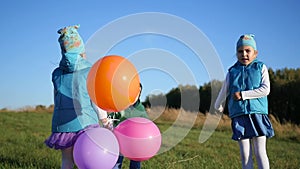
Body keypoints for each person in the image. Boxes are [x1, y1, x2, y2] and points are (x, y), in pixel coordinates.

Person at [44, 25, 109, 169]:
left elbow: (57, 97)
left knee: (67, 161)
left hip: (63, 125)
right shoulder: (89, 72)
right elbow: (95, 100)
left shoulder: (56, 73)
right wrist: (104, 120)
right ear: (81, 51)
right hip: (86, 123)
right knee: (88, 160)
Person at [214, 34, 275, 169]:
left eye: (248, 51)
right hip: (239, 115)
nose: (244, 54)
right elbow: (225, 90)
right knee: (245, 154)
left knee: (260, 152)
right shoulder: (232, 72)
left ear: (255, 53)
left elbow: (265, 90)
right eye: (240, 51)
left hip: (257, 114)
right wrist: (217, 105)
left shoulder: (260, 68)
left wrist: (243, 95)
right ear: (236, 53)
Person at [110, 83, 149, 169]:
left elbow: (147, 124)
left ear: (139, 94)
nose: (135, 95)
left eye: (138, 93)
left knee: (136, 161)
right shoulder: (121, 106)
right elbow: (112, 116)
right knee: (116, 161)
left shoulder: (141, 109)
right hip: (119, 139)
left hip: (135, 142)